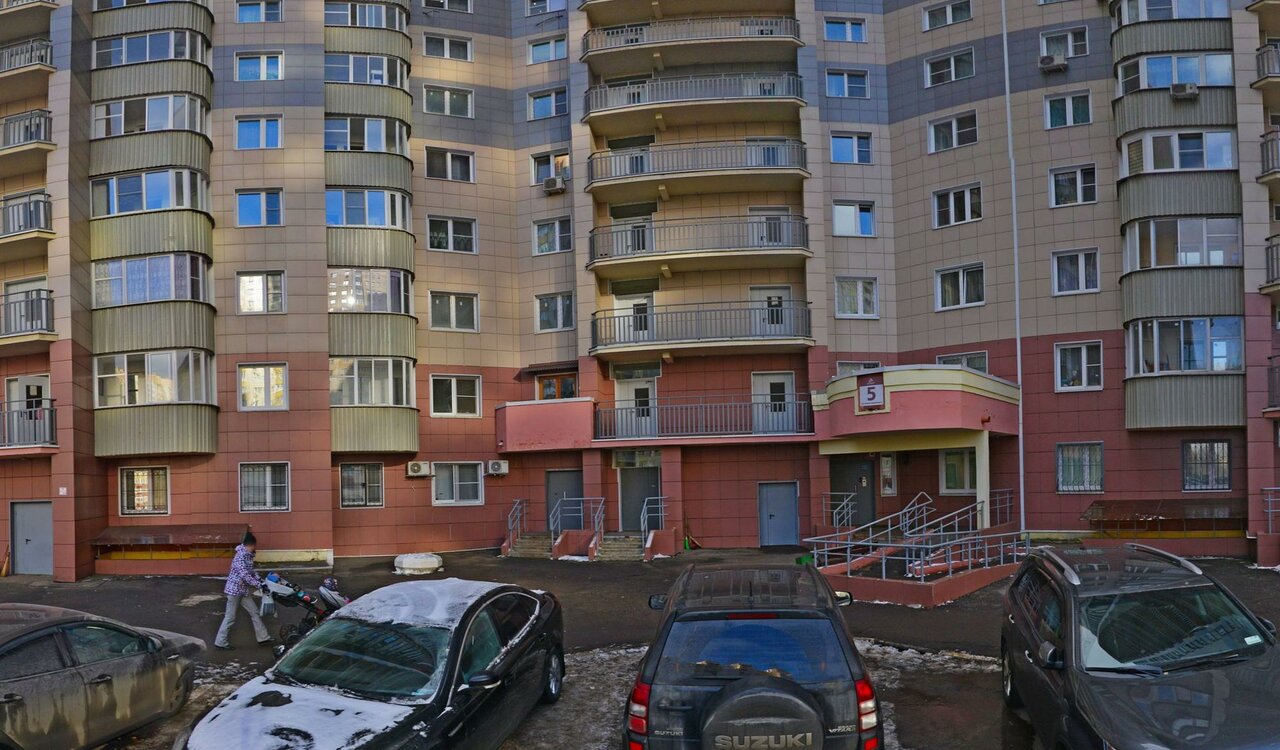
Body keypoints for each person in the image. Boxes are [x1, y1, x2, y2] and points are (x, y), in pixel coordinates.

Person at [214, 532, 274, 650]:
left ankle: (263, 638)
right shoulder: (240, 557)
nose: (254, 548)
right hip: (234, 591)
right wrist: (259, 585)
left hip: (243, 590)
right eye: (254, 546)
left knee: (254, 612)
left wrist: (261, 582)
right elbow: (245, 575)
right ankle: (220, 642)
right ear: (250, 545)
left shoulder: (247, 556)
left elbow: (251, 572)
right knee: (230, 617)